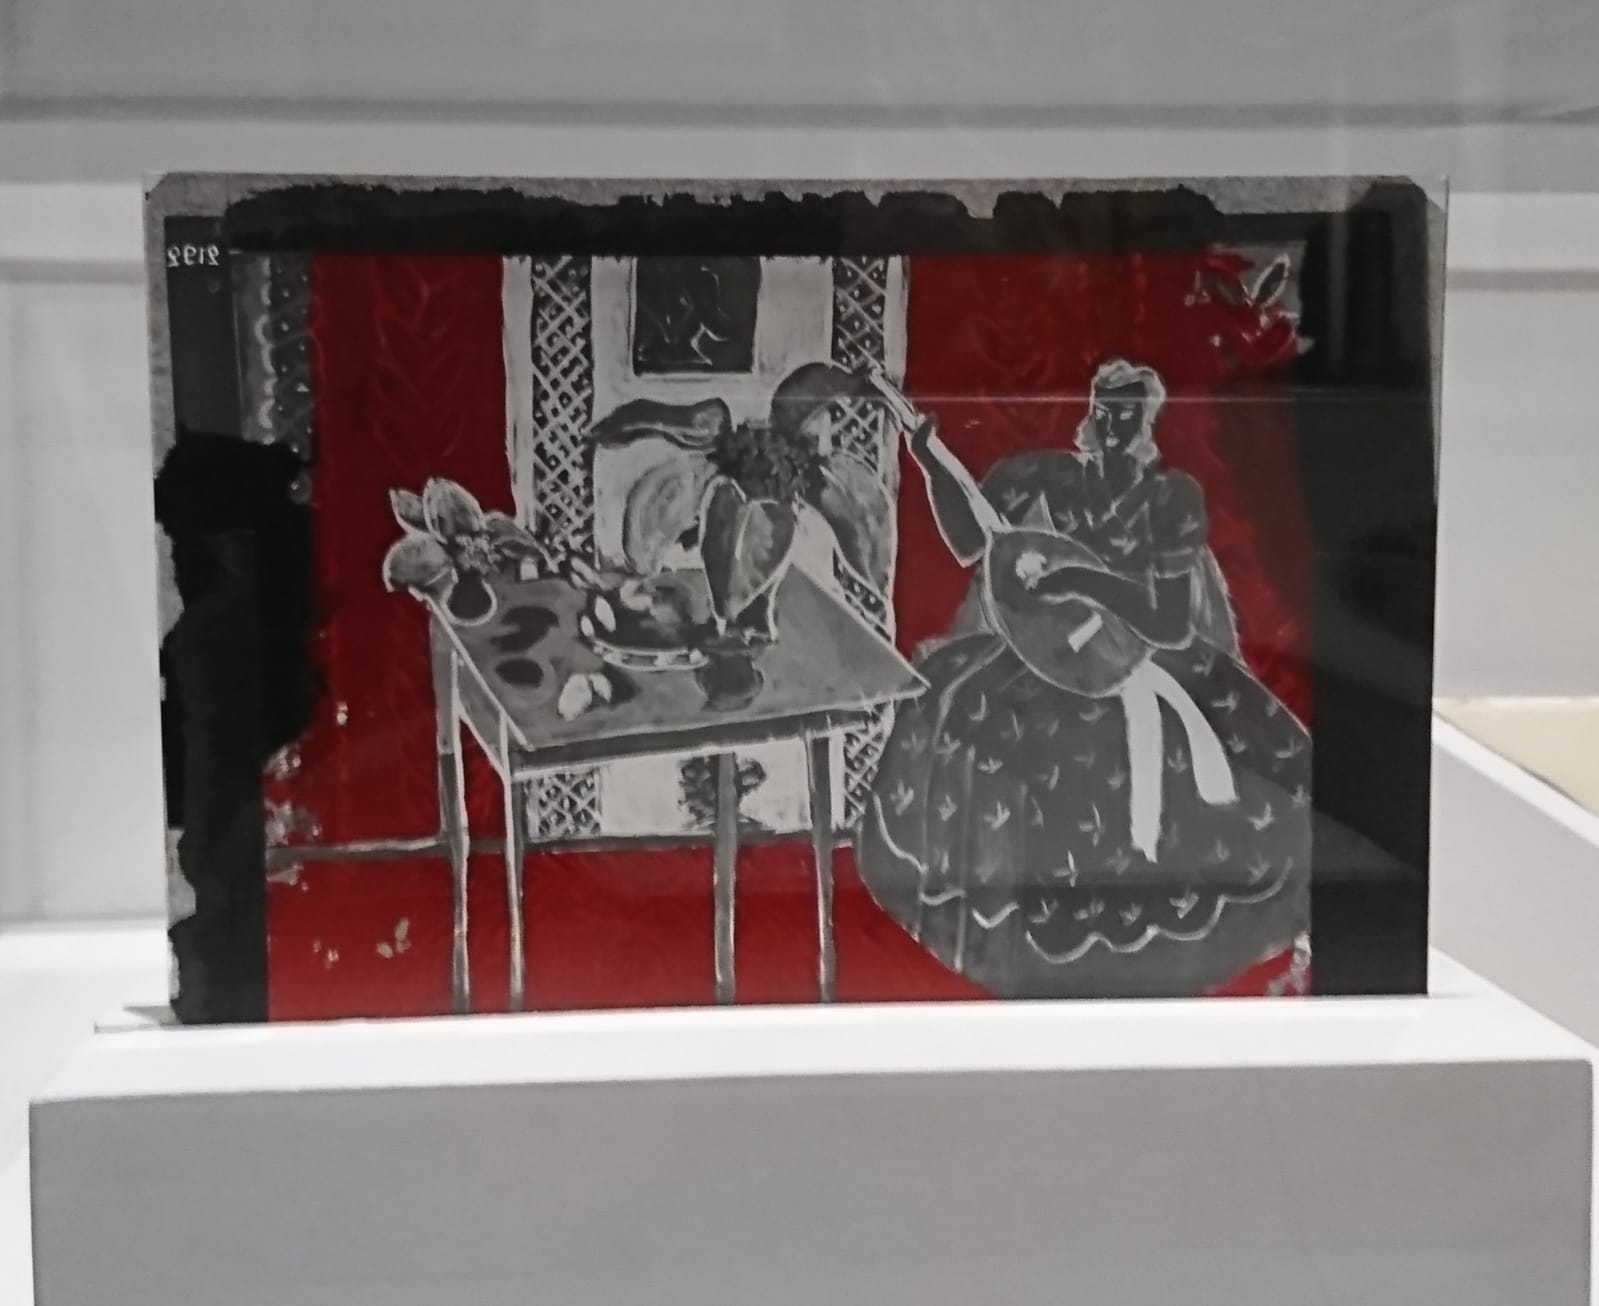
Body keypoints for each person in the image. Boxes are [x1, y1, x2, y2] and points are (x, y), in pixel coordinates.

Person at [856, 359, 1312, 997]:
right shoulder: (1044, 477)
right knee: (953, 699)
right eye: (1103, 409)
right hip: (1047, 654)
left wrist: (1079, 579)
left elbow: (1170, 623)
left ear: (1147, 421)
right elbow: (971, 543)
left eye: (1126, 413)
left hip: (1146, 655)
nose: (1112, 423)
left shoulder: (1170, 498)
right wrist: (931, 462)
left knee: (1155, 762)